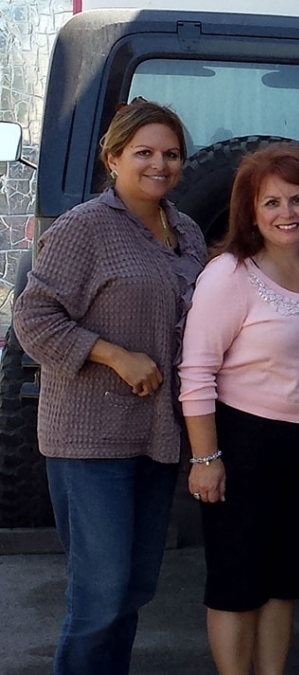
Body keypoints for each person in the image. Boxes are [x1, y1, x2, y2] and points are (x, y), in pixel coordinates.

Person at [12, 99, 206, 675]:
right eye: (143, 152)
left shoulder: (187, 230)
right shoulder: (84, 227)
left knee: (134, 588)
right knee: (99, 595)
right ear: (113, 157)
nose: (159, 164)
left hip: (155, 435)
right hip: (89, 439)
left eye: (170, 154)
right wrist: (114, 355)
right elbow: (34, 319)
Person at [178, 143, 299, 675]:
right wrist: (206, 460)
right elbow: (197, 372)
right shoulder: (229, 276)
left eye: (298, 200)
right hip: (244, 444)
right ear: (250, 210)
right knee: (238, 583)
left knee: (285, 581)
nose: (287, 214)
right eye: (272, 202)